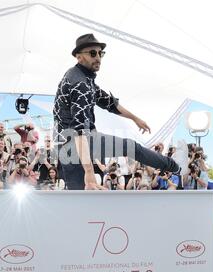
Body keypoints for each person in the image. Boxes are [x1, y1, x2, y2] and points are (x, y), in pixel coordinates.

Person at [53, 34, 179, 190]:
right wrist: (89, 172)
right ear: (79, 57)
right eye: (92, 53)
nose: (98, 57)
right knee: (131, 148)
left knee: (79, 198)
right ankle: (175, 167)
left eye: (100, 53)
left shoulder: (83, 78)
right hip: (75, 143)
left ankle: (173, 166)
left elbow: (109, 102)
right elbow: (79, 132)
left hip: (69, 146)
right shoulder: (81, 85)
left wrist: (135, 118)